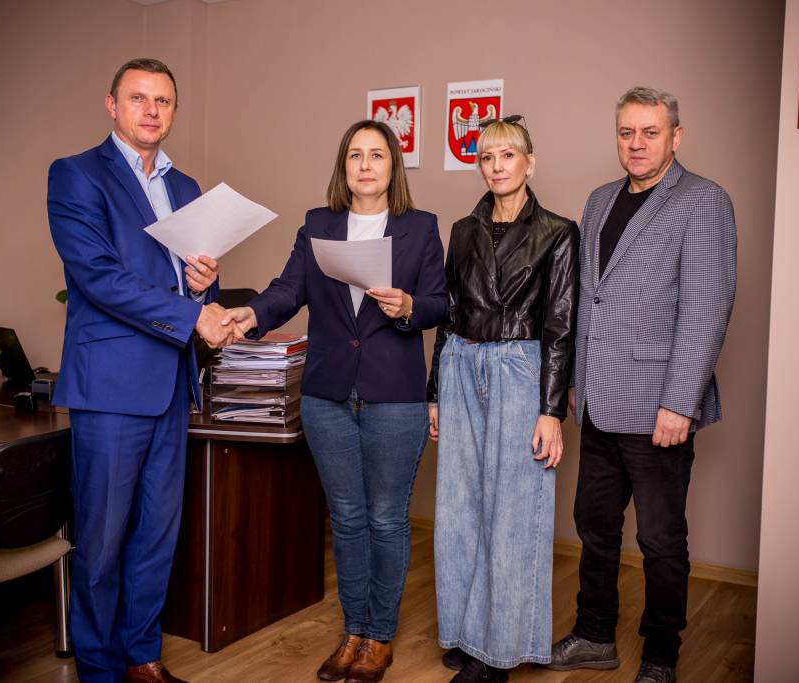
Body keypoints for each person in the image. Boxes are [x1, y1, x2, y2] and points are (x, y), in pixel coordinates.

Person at [221, 120, 447, 683]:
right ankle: (353, 632)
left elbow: (441, 303)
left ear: (393, 166)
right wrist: (251, 313)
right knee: (346, 519)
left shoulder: (420, 227)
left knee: (386, 519)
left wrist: (408, 307)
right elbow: (288, 289)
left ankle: (380, 638)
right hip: (327, 395)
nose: (365, 165)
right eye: (355, 155)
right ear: (343, 166)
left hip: (394, 396)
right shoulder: (317, 224)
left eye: (377, 155)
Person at [47, 58, 232, 683]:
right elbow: (99, 277)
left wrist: (204, 284)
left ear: (173, 111)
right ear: (112, 105)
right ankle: (99, 670)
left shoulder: (187, 187)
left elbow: (191, 284)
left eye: (163, 101)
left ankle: (142, 658)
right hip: (110, 387)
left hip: (171, 384)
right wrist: (194, 313)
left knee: (157, 534)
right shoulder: (76, 175)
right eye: (138, 98)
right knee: (101, 543)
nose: (152, 111)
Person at [546, 87, 737, 683]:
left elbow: (706, 308)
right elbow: (587, 299)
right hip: (598, 401)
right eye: (627, 132)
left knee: (660, 541)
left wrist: (680, 402)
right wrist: (574, 380)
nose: (637, 144)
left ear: (675, 136)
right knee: (595, 528)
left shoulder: (703, 200)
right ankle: (594, 634)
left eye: (650, 132)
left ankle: (660, 657)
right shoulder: (600, 200)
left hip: (659, 409)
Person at [427, 116, 579, 683]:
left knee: (514, 511)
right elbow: (448, 314)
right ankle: (466, 633)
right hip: (462, 365)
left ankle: (499, 649)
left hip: (519, 370)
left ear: (529, 163)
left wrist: (551, 412)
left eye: (508, 155)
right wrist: (435, 392)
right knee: (459, 508)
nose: (497, 166)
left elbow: (561, 326)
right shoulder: (463, 230)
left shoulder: (558, 233)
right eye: (487, 157)